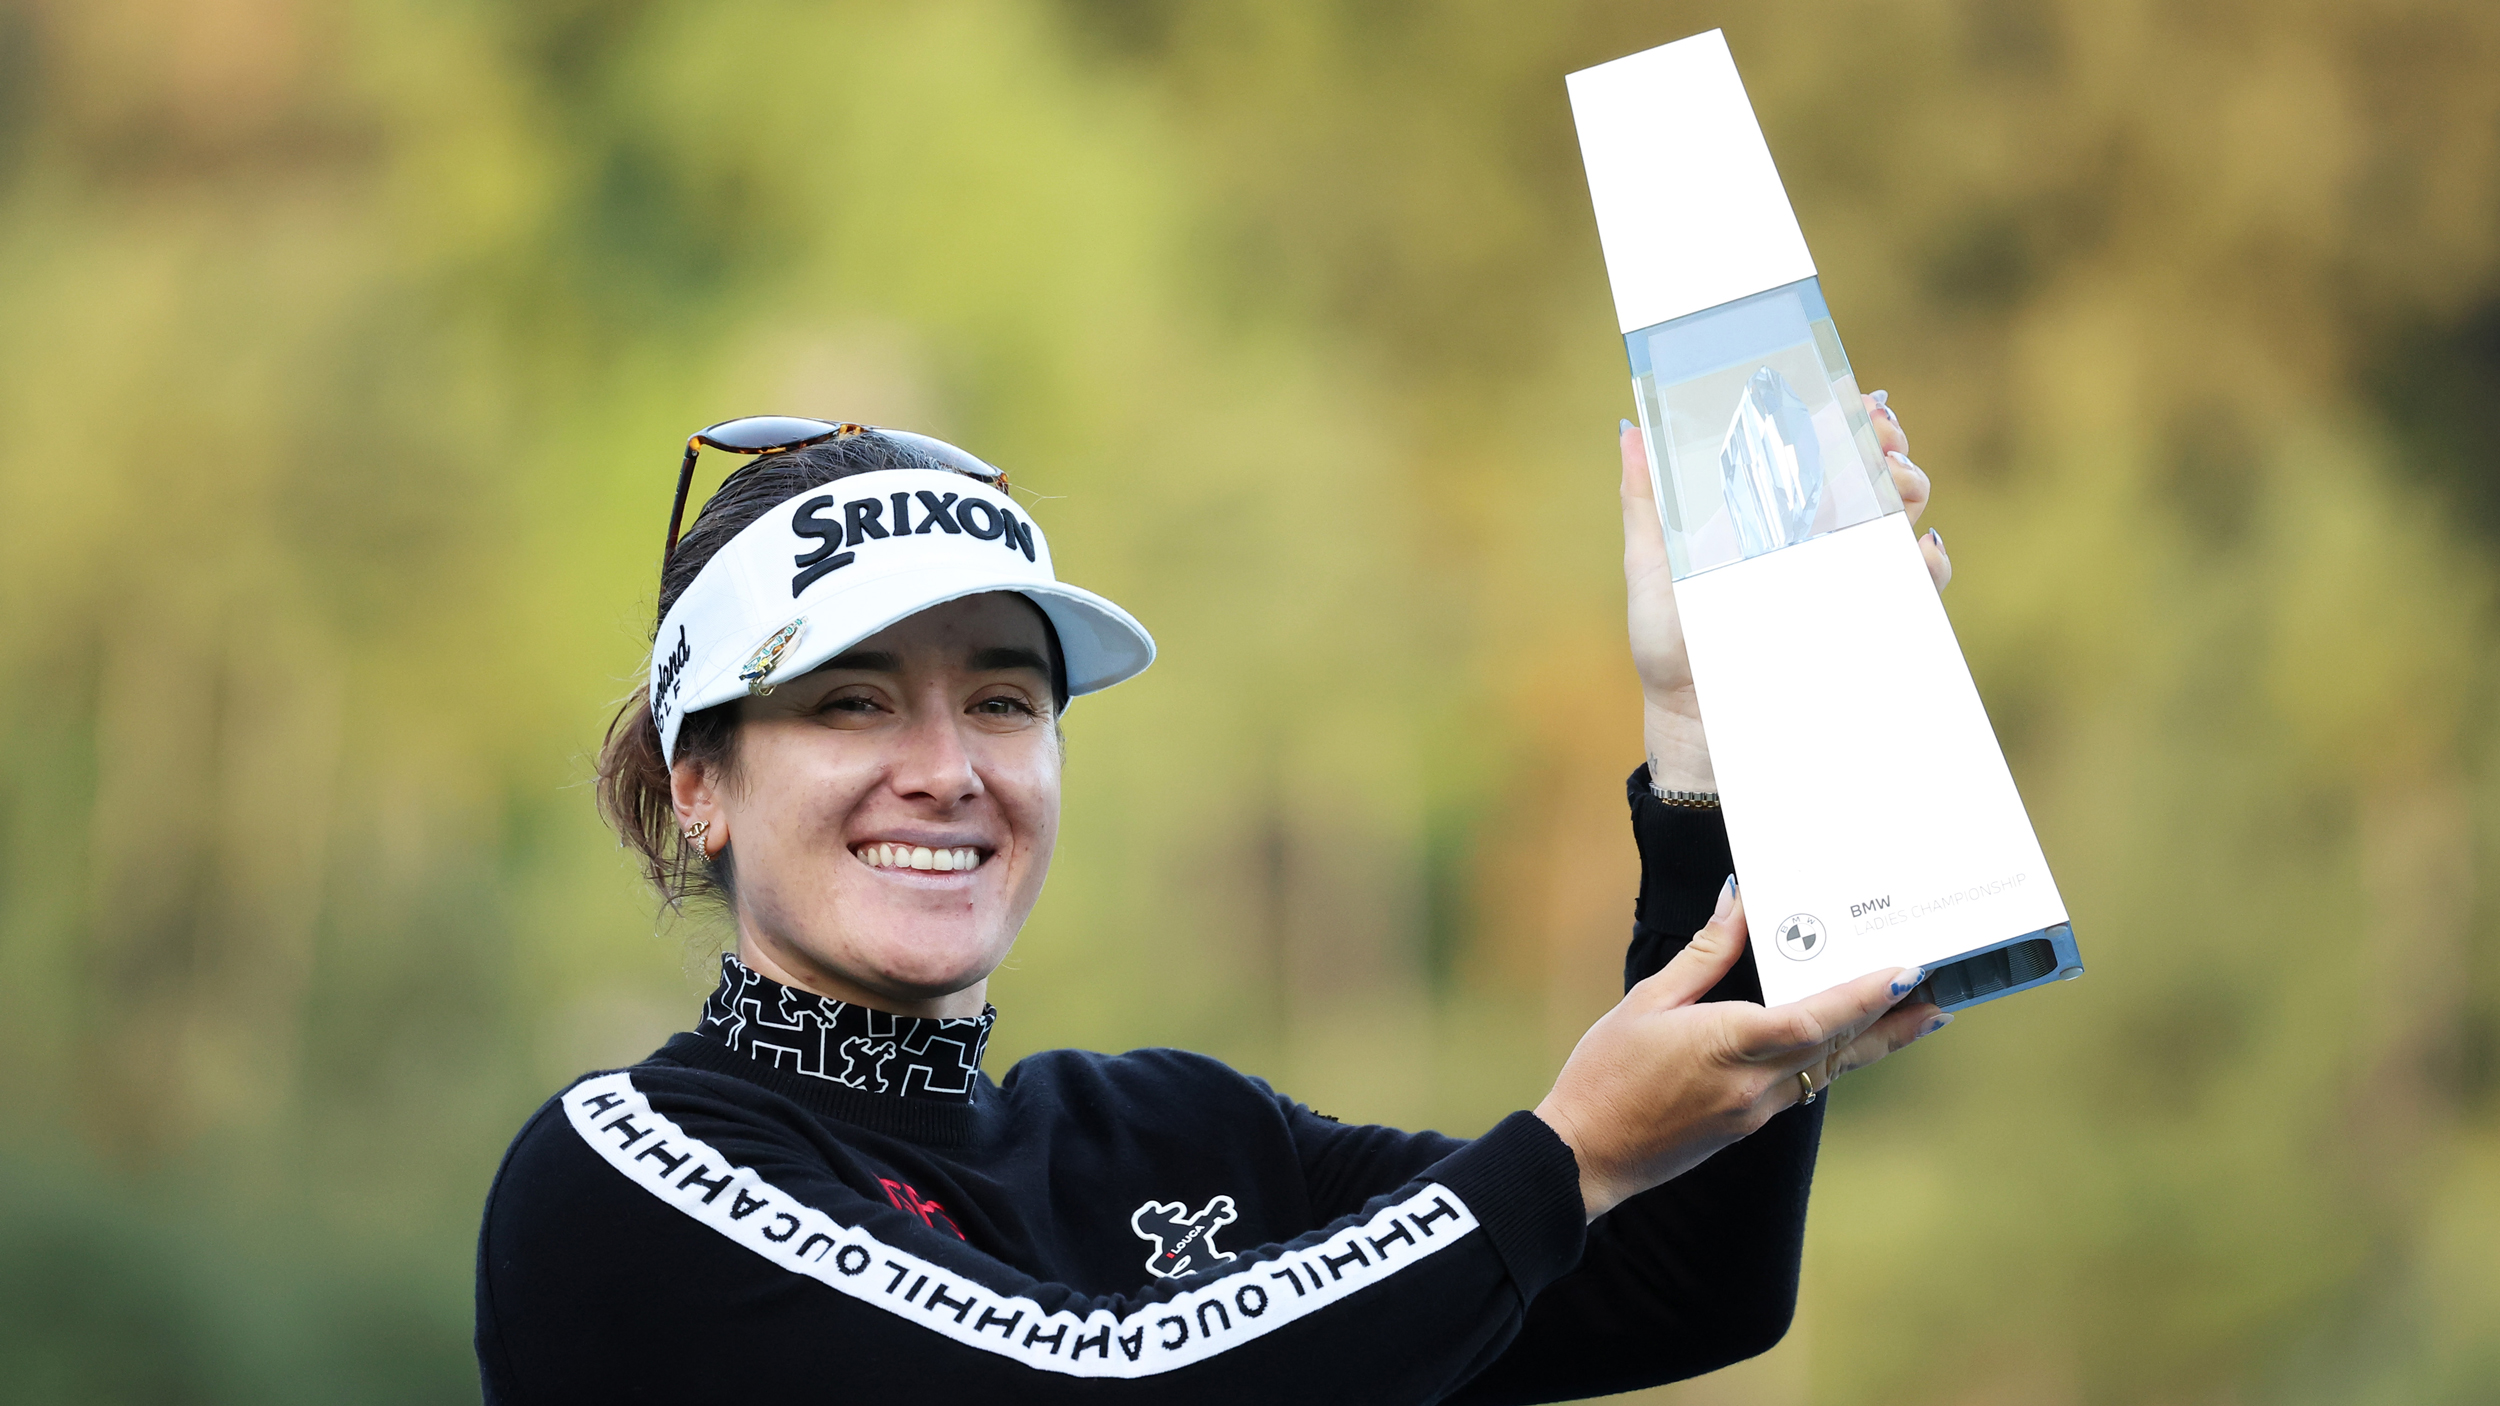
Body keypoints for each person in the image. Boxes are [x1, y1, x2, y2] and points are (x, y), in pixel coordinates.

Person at [474, 401, 1953, 1404]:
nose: (945, 770)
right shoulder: (621, 1174)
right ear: (699, 787)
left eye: (1002, 699)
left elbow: (1679, 1277)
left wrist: (1725, 739)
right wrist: (1561, 1153)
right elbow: (1101, 1379)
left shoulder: (1176, 1133)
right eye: (852, 704)